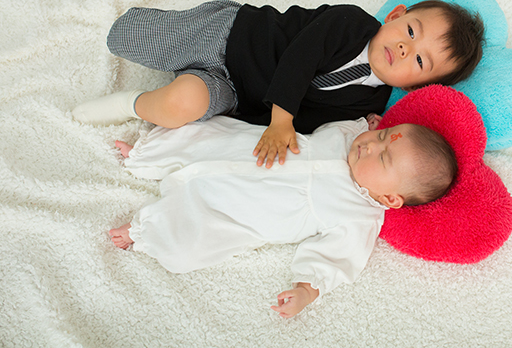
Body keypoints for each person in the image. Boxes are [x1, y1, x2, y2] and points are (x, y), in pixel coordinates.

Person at [109, 114, 457, 318]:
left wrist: (306, 290)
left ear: (390, 198)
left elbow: (336, 260)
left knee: (192, 239)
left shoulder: (360, 217)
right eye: (381, 136)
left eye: (382, 157)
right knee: (206, 135)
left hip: (238, 207)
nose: (371, 145)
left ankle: (144, 231)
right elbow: (350, 125)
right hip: (251, 149)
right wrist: (368, 123)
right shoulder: (351, 136)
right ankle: (145, 154)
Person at [74, 0, 483, 168]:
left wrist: (362, 130)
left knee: (179, 105)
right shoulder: (351, 23)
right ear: (395, 16)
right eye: (410, 31)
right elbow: (299, 59)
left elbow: (313, 126)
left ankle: (129, 104)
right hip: (232, 38)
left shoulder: (368, 101)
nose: (405, 49)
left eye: (419, 61)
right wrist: (281, 119)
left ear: (415, 87)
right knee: (128, 37)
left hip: (234, 93)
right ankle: (127, 23)